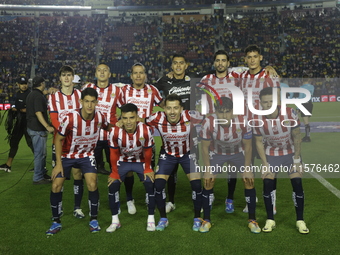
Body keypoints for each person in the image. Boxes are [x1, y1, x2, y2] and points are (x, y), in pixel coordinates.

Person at [46, 88, 108, 236]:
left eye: (93, 102)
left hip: (86, 155)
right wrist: (59, 163)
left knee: (92, 183)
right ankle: (56, 221)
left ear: (97, 102)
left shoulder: (100, 117)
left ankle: (94, 219)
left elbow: (109, 126)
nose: (89, 105)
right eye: (87, 101)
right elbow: (58, 139)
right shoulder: (70, 118)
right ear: (81, 102)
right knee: (56, 185)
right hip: (67, 156)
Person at [200, 97, 260, 233]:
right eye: (221, 112)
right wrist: (208, 170)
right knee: (208, 181)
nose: (224, 116)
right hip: (217, 153)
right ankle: (206, 220)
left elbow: (248, 146)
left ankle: (252, 220)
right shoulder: (208, 122)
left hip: (238, 152)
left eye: (227, 112)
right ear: (215, 112)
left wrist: (247, 169)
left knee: (249, 180)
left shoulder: (243, 121)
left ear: (233, 111)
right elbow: (204, 148)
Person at [253, 87, 309, 234]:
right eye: (265, 102)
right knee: (267, 182)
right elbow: (258, 142)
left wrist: (297, 160)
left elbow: (297, 136)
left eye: (271, 101)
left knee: (297, 182)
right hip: (271, 153)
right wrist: (265, 165)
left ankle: (300, 220)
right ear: (260, 103)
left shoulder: (289, 113)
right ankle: (270, 219)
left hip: (290, 152)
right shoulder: (257, 118)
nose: (268, 104)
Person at [146, 94, 202, 232]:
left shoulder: (191, 115)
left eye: (175, 108)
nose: (172, 112)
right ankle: (163, 219)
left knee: (196, 184)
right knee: (158, 185)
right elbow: (140, 121)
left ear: (181, 109)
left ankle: (196, 218)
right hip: (168, 155)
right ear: (164, 108)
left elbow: (211, 120)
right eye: (169, 108)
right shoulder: (157, 118)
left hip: (188, 154)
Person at [240, 45, 280, 214]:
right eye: (249, 57)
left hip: (265, 128)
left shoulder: (269, 75)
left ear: (261, 58)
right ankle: (251, 199)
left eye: (255, 56)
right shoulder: (241, 76)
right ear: (245, 60)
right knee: (247, 164)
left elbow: (277, 100)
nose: (252, 60)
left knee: (269, 165)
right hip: (247, 127)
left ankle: (272, 201)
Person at [117, 62, 163, 215]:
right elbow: (113, 107)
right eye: (135, 73)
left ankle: (148, 196)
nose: (138, 76)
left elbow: (165, 106)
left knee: (149, 169)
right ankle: (130, 199)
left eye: (141, 73)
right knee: (129, 171)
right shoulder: (124, 91)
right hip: (127, 138)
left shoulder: (153, 90)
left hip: (147, 138)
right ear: (131, 75)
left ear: (145, 75)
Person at [106, 103, 156, 232]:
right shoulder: (114, 131)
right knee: (113, 184)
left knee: (150, 182)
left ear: (137, 117)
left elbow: (148, 151)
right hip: (123, 161)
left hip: (140, 161)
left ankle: (151, 218)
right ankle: (115, 221)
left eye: (132, 118)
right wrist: (114, 172)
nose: (128, 122)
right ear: (120, 118)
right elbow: (113, 153)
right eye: (125, 118)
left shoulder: (145, 130)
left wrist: (148, 168)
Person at [154, 54, 193, 213]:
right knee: (171, 169)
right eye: (175, 63)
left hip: (190, 128)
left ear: (186, 65)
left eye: (181, 63)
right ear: (172, 66)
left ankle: (202, 198)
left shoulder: (194, 79)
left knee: (195, 168)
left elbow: (216, 75)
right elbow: (151, 90)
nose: (178, 66)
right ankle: (171, 201)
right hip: (171, 128)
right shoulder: (165, 81)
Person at [48, 65, 84, 219]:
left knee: (78, 175)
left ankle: (77, 208)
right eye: (64, 75)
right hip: (61, 143)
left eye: (69, 75)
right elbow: (54, 119)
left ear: (73, 77)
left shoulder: (80, 95)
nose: (67, 78)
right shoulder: (53, 97)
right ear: (60, 78)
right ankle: (59, 207)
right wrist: (66, 131)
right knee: (58, 177)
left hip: (77, 143)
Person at [84, 64, 121, 176]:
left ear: (109, 74)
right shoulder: (88, 88)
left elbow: (124, 107)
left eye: (105, 70)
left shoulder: (116, 90)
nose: (102, 72)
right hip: (92, 134)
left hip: (110, 134)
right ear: (95, 74)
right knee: (91, 168)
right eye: (99, 70)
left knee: (114, 165)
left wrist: (121, 120)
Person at [0, 76, 34, 173]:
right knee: (13, 143)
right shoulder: (18, 94)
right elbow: (18, 107)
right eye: (22, 84)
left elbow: (31, 109)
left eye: (25, 83)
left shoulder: (30, 94)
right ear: (18, 85)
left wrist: (18, 109)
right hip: (19, 124)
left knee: (32, 144)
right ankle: (8, 165)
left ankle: (40, 166)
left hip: (28, 123)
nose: (24, 86)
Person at [26, 76, 54, 185]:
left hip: (32, 127)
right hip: (37, 129)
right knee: (40, 154)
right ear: (42, 83)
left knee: (41, 153)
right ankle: (38, 177)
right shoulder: (38, 96)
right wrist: (47, 126)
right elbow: (38, 112)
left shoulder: (31, 94)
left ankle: (42, 173)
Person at [298, 75, 314, 142]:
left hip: (304, 104)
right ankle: (307, 136)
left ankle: (307, 137)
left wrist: (298, 107)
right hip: (310, 104)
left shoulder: (301, 87)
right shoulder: (312, 87)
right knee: (307, 121)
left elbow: (300, 98)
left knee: (305, 122)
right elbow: (312, 94)